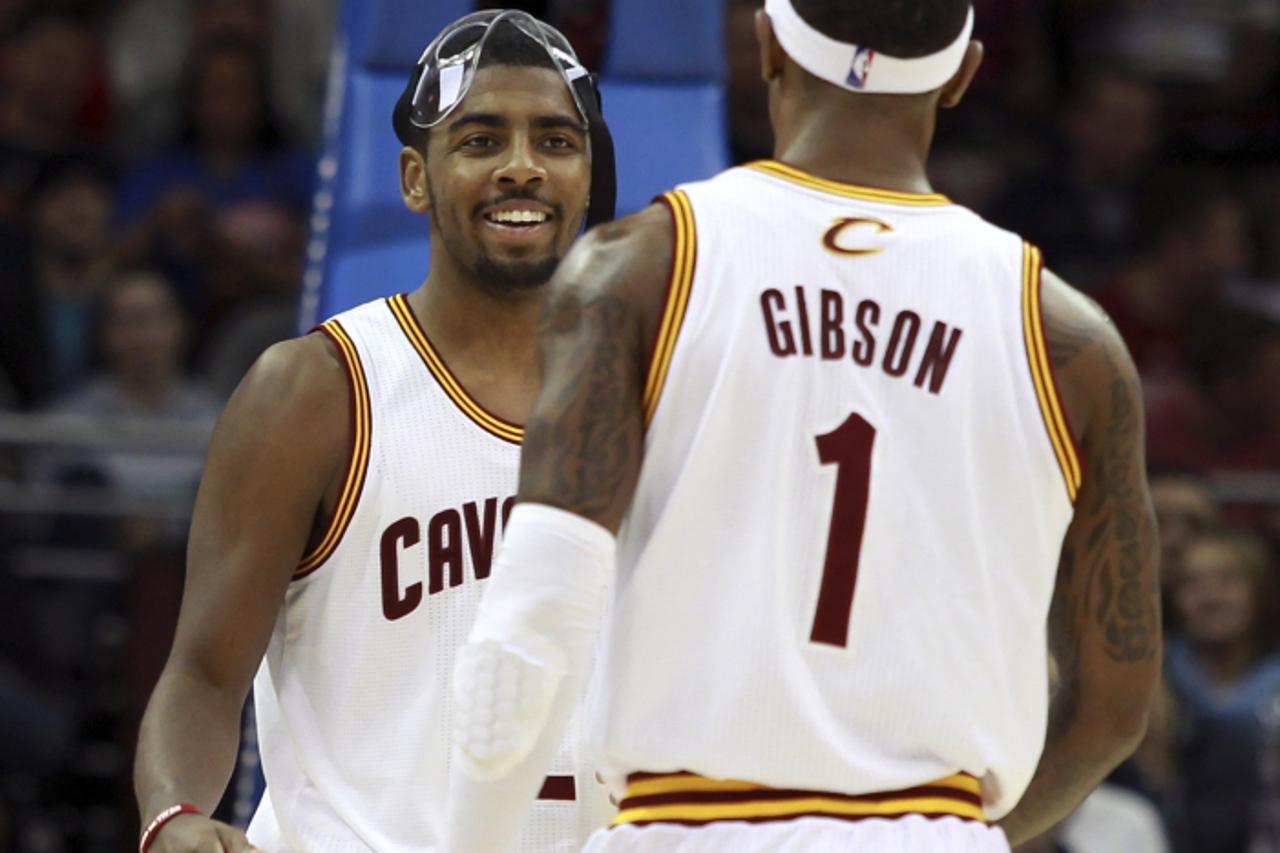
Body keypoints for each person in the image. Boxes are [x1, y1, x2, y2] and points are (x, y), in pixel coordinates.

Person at [445, 1, 1160, 851]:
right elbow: (1115, 710)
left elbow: (532, 626)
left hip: (689, 825)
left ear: (768, 45)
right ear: (965, 72)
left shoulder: (640, 269)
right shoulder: (1067, 337)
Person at [132, 11, 617, 852]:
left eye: (554, 140)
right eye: (479, 140)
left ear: (585, 172)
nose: (521, 168)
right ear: (414, 177)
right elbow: (203, 676)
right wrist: (174, 815)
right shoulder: (315, 391)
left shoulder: (660, 395)